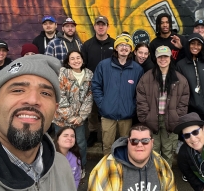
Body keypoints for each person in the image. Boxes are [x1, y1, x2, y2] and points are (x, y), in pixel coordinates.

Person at [0, 55, 76, 190]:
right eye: (18, 90)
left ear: (55, 110)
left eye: (45, 93)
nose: (33, 100)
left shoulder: (61, 165)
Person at [136, 45, 189, 166]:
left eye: (165, 56)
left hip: (171, 120)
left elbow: (184, 101)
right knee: (152, 150)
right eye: (160, 57)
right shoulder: (147, 78)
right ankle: (154, 177)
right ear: (156, 58)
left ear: (170, 58)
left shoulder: (180, 80)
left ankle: (166, 177)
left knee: (168, 151)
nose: (163, 59)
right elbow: (141, 99)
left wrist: (177, 117)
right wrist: (146, 117)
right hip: (152, 119)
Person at [92, 33, 144, 155]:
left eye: (127, 45)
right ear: (116, 47)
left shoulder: (137, 69)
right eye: (121, 44)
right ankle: (107, 170)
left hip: (126, 116)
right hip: (107, 114)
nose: (124, 48)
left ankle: (124, 170)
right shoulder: (104, 65)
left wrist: (133, 106)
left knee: (126, 145)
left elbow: (140, 92)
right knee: (107, 146)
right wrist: (103, 104)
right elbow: (96, 86)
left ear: (131, 49)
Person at [88, 124, 177, 191]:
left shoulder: (161, 164)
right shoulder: (105, 168)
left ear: (152, 143)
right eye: (134, 141)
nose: (139, 145)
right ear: (128, 142)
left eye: (145, 141)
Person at [53, 50, 93, 179]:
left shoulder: (89, 75)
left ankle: (80, 167)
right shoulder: (63, 74)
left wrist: (81, 116)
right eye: (72, 59)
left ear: (82, 59)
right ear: (68, 62)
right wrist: (70, 116)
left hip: (79, 120)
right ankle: (60, 168)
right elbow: (60, 95)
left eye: (78, 58)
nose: (76, 61)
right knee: (61, 143)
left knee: (80, 143)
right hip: (62, 118)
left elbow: (89, 97)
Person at [82, 15, 115, 147]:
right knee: (93, 111)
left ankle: (110, 134)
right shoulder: (87, 45)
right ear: (94, 26)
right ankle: (93, 133)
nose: (101, 27)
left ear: (107, 27)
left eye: (103, 24)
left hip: (111, 83)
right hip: (92, 83)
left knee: (109, 108)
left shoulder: (114, 44)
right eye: (98, 24)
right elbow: (82, 65)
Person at [177, 33, 204, 122]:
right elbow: (179, 88)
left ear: (202, 46)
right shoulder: (181, 65)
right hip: (193, 111)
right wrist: (189, 102)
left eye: (198, 44)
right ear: (188, 45)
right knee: (196, 135)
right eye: (193, 43)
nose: (195, 47)